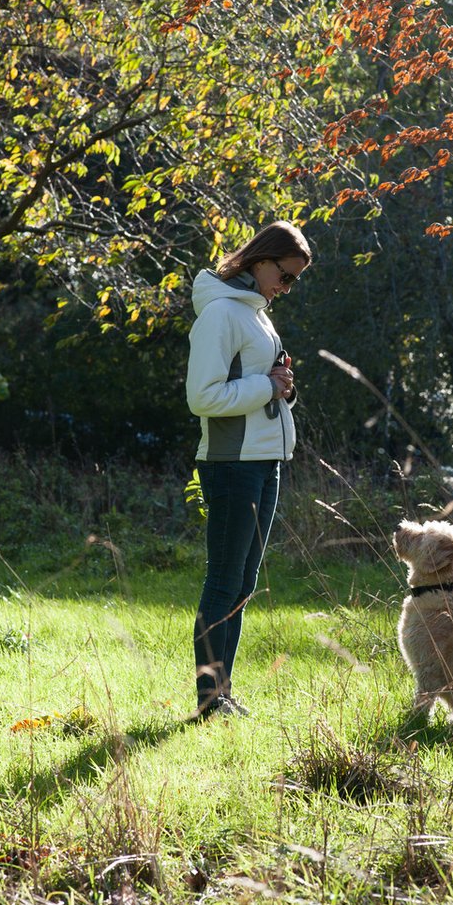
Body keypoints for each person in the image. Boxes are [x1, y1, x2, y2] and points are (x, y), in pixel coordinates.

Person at [185, 220, 311, 718]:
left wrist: (282, 386)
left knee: (241, 587)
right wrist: (267, 386)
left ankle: (222, 696)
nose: (287, 287)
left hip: (264, 462)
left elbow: (264, 387)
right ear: (260, 262)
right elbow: (203, 397)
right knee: (224, 583)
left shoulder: (256, 314)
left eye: (295, 280)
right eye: (286, 276)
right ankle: (209, 701)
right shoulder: (220, 313)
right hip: (232, 466)